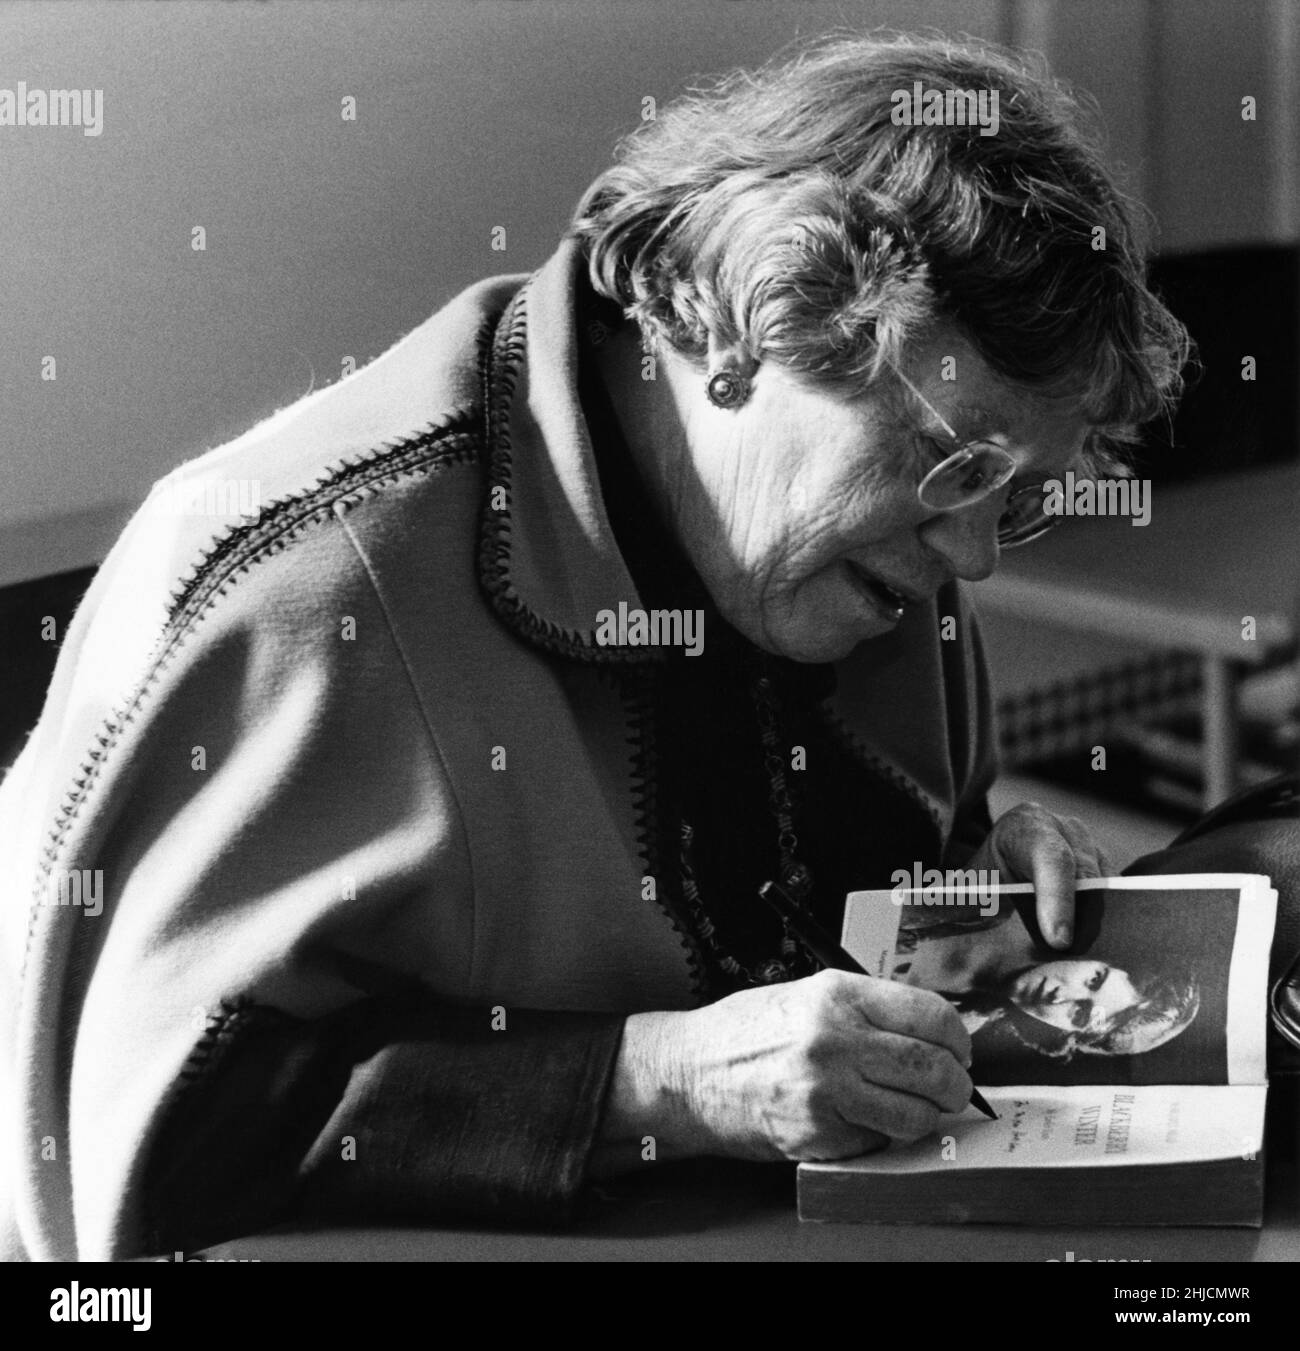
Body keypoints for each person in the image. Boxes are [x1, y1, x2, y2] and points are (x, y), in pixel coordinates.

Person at [0, 32, 1191, 1259]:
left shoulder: (871, 554)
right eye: (961, 466)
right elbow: (151, 1151)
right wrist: (658, 1080)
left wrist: (975, 890)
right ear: (750, 326)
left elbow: (842, 929)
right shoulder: (310, 592)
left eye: (1022, 494)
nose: (981, 553)